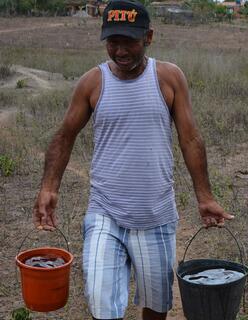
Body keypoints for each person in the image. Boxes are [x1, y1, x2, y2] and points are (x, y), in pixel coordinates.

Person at [32, 0, 233, 319]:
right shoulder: (93, 82)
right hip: (105, 212)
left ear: (149, 37)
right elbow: (64, 135)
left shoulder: (168, 78)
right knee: (101, 300)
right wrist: (49, 187)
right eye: (113, 42)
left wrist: (205, 196)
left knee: (156, 305)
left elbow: (190, 138)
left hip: (156, 215)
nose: (120, 51)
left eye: (129, 42)